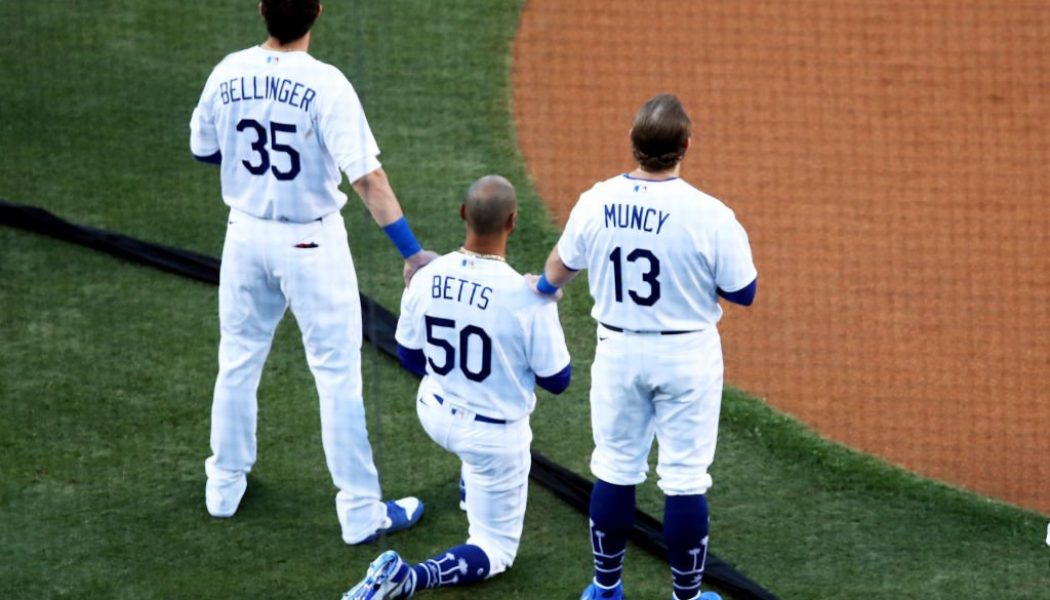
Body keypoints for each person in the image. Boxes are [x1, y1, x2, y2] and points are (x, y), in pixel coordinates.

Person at [188, 0, 437, 544]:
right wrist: (412, 253)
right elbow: (367, 181)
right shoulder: (327, 84)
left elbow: (204, 149)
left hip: (245, 235)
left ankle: (224, 485)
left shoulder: (227, 70)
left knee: (238, 358)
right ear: (317, 13)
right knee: (337, 376)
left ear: (261, 9)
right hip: (310, 242)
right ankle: (360, 512)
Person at [532, 94, 757, 600]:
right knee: (684, 479)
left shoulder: (597, 200)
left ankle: (606, 588)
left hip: (618, 352)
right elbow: (744, 292)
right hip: (687, 357)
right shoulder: (709, 214)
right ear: (686, 147)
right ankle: (686, 595)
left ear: (634, 145)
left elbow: (558, 268)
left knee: (614, 468)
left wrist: (544, 289)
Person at [341, 175, 573, 599]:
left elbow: (409, 356)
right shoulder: (527, 297)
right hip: (490, 438)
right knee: (496, 549)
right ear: (513, 222)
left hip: (433, 411)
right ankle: (409, 578)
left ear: (463, 213)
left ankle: (472, 485)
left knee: (468, 411)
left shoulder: (428, 275)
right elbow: (558, 380)